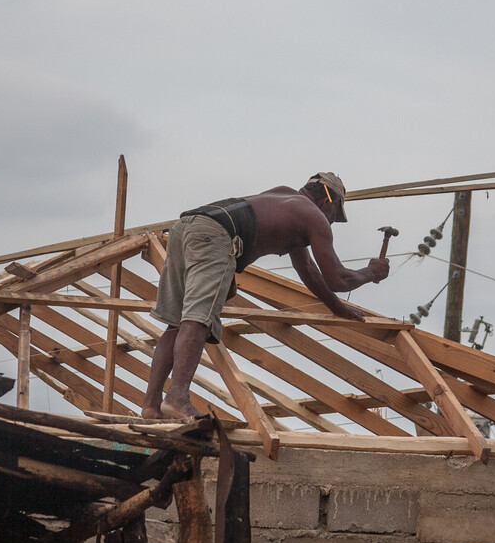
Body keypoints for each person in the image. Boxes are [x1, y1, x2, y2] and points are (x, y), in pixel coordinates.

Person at [141, 172, 390, 419]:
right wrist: (371, 272)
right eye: (335, 215)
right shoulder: (315, 217)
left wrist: (336, 306)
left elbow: (307, 269)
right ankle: (176, 398)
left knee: (176, 324)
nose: (332, 222)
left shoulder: (284, 197)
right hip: (217, 234)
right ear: (327, 202)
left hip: (187, 226)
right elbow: (337, 278)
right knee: (199, 318)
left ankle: (151, 405)